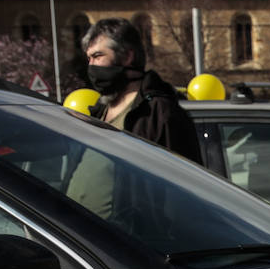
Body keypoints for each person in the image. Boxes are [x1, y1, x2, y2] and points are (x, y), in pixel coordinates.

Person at [80, 18, 200, 162]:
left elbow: (183, 173)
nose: (91, 65)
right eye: (89, 59)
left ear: (127, 56)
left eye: (97, 56)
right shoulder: (100, 109)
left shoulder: (159, 113)